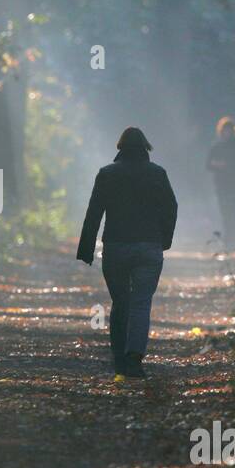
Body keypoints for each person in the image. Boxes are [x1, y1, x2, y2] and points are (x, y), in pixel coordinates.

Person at [76, 127, 178, 379]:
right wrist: (165, 239)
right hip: (149, 247)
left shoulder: (107, 174)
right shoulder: (157, 174)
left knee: (121, 302)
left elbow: (94, 212)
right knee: (141, 303)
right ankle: (134, 358)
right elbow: (171, 207)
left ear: (120, 148)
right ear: (146, 148)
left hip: (117, 247)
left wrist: (86, 249)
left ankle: (119, 359)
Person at [206, 116, 235, 252]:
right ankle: (229, 242)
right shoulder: (217, 146)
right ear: (221, 131)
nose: (227, 132)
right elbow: (208, 164)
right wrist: (219, 165)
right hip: (221, 186)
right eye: (225, 130)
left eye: (229, 130)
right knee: (225, 213)